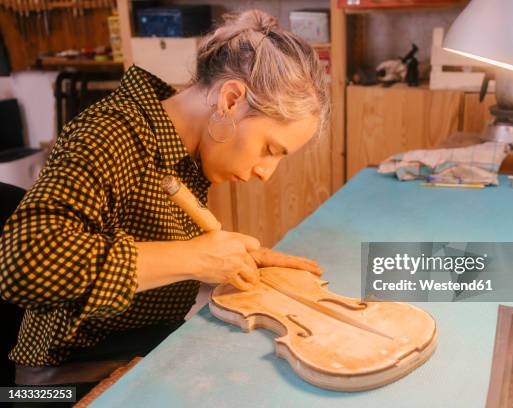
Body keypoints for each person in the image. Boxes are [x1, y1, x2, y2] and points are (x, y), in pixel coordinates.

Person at [0, 9, 330, 401]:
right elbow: (24, 263)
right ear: (231, 99)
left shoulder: (183, 153)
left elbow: (140, 246)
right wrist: (193, 258)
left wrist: (228, 260)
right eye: (269, 149)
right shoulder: (112, 134)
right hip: (57, 383)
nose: (265, 172)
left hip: (141, 349)